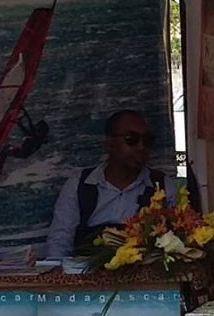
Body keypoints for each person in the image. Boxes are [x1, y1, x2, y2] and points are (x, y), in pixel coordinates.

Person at [46, 109, 175, 260]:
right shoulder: (79, 185)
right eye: (131, 139)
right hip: (88, 276)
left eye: (147, 140)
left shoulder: (162, 185)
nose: (141, 147)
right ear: (109, 144)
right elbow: (60, 240)